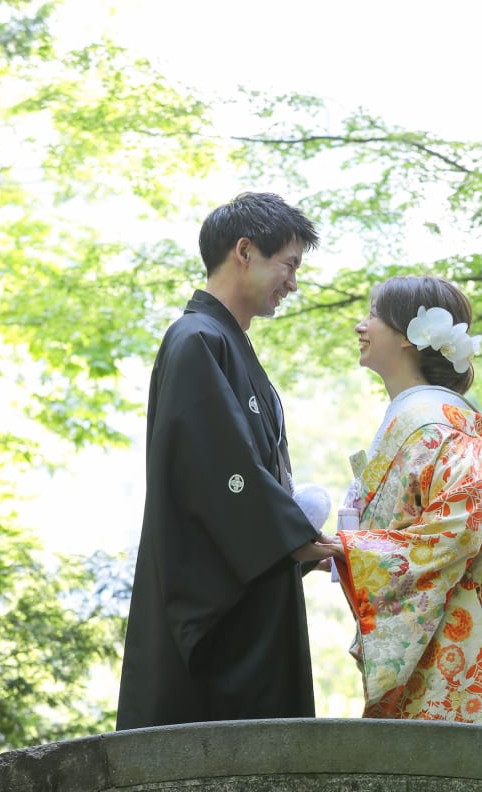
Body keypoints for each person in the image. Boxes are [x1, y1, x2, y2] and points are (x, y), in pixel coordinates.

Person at [116, 191, 330, 730]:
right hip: (220, 600)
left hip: (250, 576)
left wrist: (292, 542)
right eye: (289, 264)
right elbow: (214, 470)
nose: (293, 283)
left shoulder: (223, 341)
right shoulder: (196, 339)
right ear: (244, 250)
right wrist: (291, 537)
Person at [314, 275, 482, 728]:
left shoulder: (440, 434)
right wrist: (345, 555)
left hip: (461, 649)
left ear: (408, 336)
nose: (361, 326)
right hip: (439, 642)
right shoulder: (435, 430)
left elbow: (450, 536)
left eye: (373, 316)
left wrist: (348, 549)